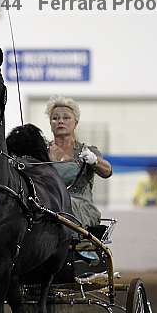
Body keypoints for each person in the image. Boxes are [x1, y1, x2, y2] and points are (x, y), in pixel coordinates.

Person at [45, 96, 112, 227]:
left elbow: (108, 171)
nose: (60, 121)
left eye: (66, 118)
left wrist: (94, 160)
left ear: (75, 123)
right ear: (50, 124)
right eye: (55, 118)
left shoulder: (87, 151)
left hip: (82, 210)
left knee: (65, 204)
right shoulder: (41, 152)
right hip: (49, 207)